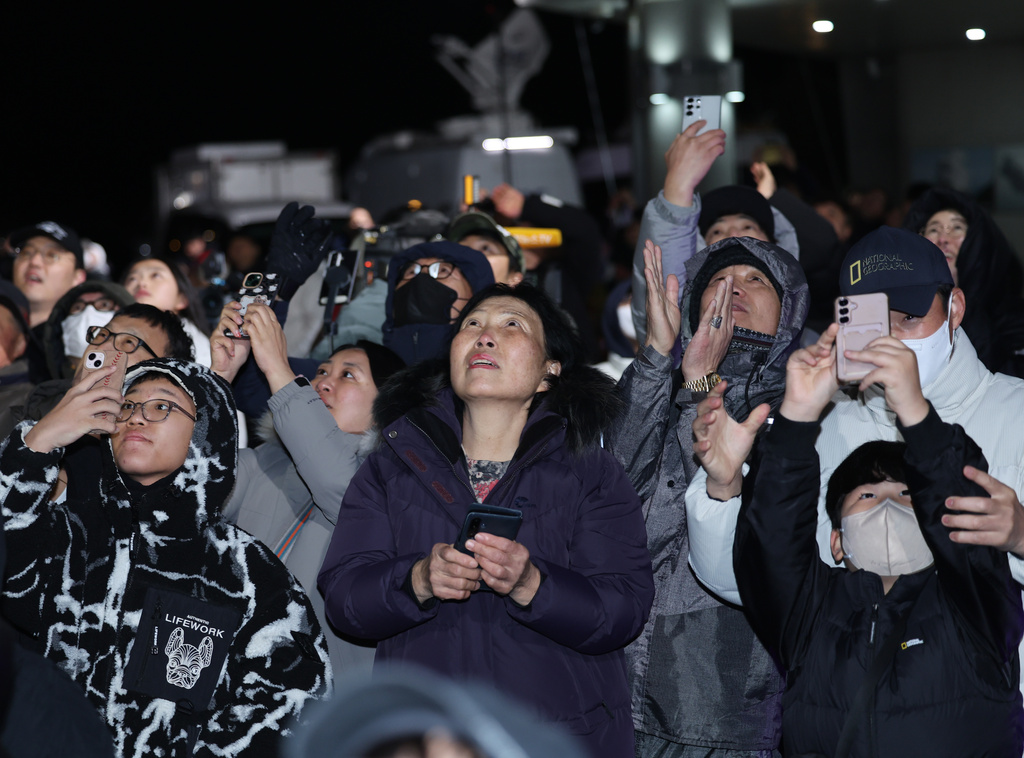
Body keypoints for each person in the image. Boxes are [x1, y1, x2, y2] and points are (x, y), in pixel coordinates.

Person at [318, 283, 654, 758]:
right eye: (471, 325)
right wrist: (415, 579)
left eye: (511, 324)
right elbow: (345, 599)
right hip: (427, 738)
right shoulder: (391, 465)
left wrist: (534, 584)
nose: (484, 336)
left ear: (548, 371)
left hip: (559, 741)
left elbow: (623, 609)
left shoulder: (591, 472)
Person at [0, 358, 330, 756]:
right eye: (127, 405)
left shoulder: (247, 573)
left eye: (162, 406)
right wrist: (40, 440)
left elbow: (291, 706)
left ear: (206, 430)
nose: (136, 418)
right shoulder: (68, 535)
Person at [728, 314, 1024, 756]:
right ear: (836, 540)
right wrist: (798, 417)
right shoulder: (808, 612)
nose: (887, 503)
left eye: (906, 494)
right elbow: (771, 536)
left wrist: (917, 414)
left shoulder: (973, 604)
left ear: (932, 523)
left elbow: (961, 502)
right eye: (866, 494)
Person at [607, 235, 808, 757]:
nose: (731, 289)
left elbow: (761, 540)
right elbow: (609, 483)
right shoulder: (654, 388)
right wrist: (657, 355)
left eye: (754, 280)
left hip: (720, 709)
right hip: (608, 687)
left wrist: (703, 384)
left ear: (789, 311)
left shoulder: (801, 409)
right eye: (717, 281)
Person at [213, 302, 404, 672]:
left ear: (386, 406)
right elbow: (193, 486)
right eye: (320, 371)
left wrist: (276, 366)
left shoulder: (390, 482)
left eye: (349, 375)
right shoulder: (265, 460)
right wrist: (220, 377)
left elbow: (339, 483)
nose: (322, 383)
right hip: (228, 675)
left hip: (318, 693)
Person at [629, 122, 838, 343]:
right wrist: (677, 188)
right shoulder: (685, 338)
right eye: (718, 231)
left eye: (748, 226)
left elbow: (824, 245)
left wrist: (774, 197)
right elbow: (662, 295)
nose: (734, 232)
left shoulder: (808, 347)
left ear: (776, 244)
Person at [903, 186, 1024, 377]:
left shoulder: (1013, 316)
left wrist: (961, 296)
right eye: (933, 229)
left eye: (957, 228)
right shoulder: (898, 309)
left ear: (978, 241)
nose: (943, 238)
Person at [381, 240, 495, 365]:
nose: (421, 278)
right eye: (412, 272)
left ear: (473, 294)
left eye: (442, 271)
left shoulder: (480, 371)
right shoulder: (372, 369)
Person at [123, 256, 213, 365]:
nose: (142, 283)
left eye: (155, 275)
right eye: (132, 278)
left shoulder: (201, 351)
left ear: (182, 299)